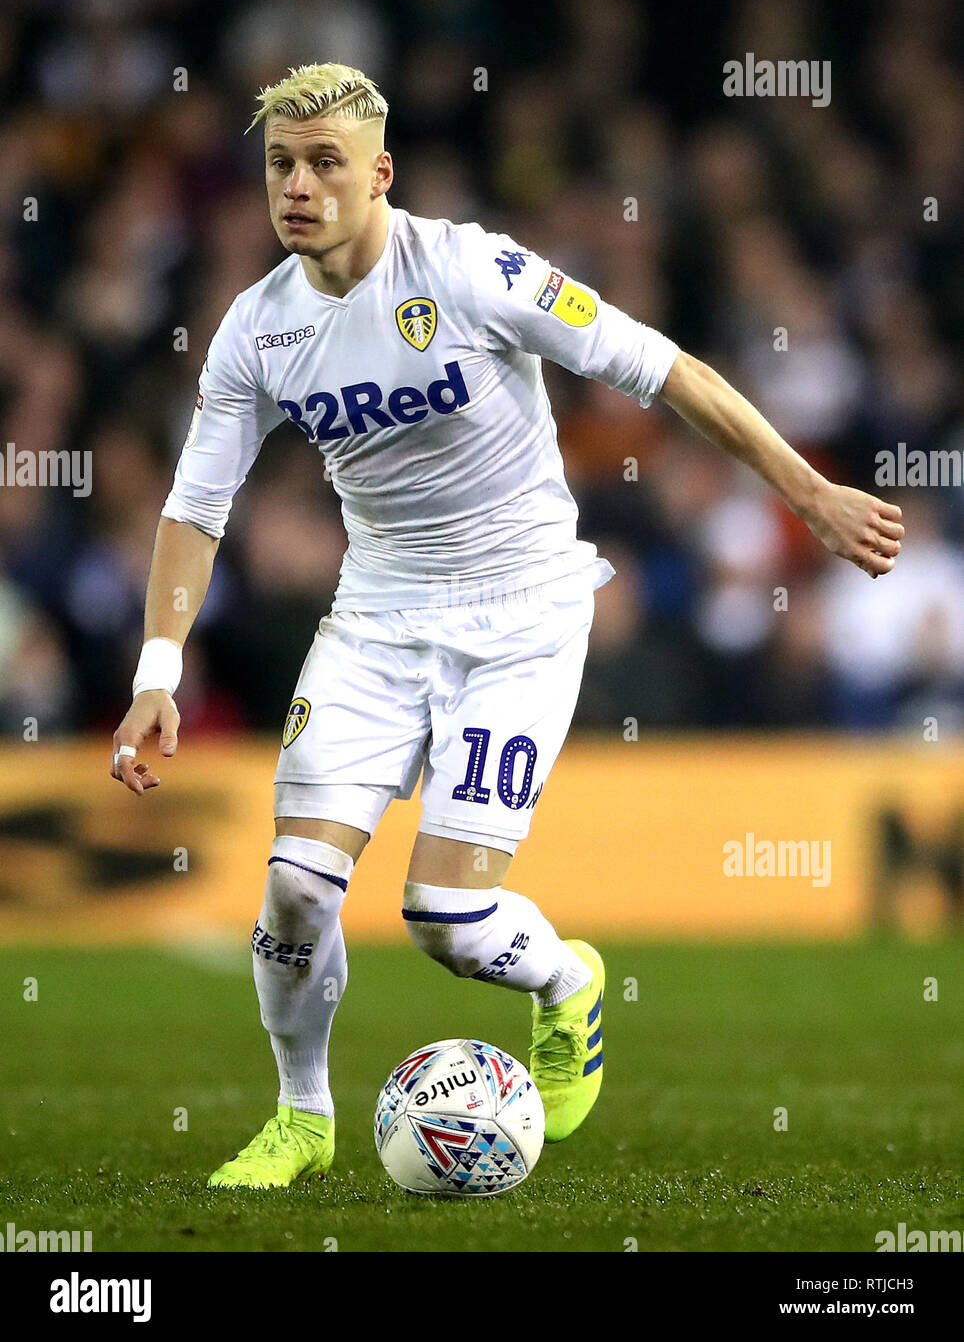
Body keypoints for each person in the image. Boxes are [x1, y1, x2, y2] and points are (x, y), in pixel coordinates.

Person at [110, 63, 904, 1188]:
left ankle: (566, 980)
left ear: (378, 173)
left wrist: (808, 492)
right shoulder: (256, 330)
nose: (298, 185)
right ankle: (300, 1114)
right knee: (293, 886)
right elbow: (194, 507)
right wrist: (159, 670)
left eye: (326, 162)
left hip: (523, 618)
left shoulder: (473, 268)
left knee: (443, 914)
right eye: (281, 164)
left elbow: (665, 369)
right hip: (376, 622)